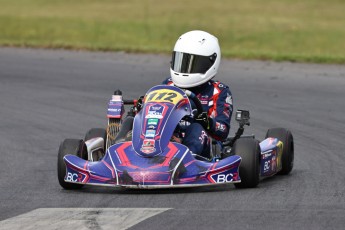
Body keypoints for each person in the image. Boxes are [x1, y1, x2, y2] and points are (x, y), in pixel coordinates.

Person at [162, 30, 233, 160]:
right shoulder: (169, 84)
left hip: (204, 146)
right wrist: (144, 106)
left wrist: (208, 122)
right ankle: (121, 149)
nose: (184, 69)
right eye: (181, 61)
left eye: (192, 64)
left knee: (196, 127)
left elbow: (223, 131)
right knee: (133, 120)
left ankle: (183, 160)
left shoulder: (219, 91)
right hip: (169, 138)